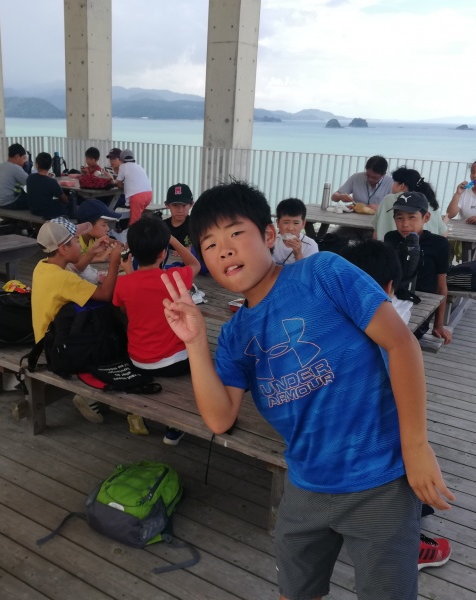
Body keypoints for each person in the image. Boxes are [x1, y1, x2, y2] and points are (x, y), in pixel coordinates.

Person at [160, 181, 454, 600]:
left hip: (380, 481)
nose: (223, 250)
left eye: (235, 233)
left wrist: (416, 446)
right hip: (304, 486)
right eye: (209, 244)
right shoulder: (235, 335)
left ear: (269, 235)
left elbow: (400, 343)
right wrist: (193, 343)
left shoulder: (323, 273)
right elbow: (219, 418)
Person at [339, 239, 453, 571]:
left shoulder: (326, 323)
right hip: (367, 448)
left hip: (324, 437)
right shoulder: (392, 332)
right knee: (404, 452)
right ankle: (408, 546)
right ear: (389, 286)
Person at [113, 218, 201, 445]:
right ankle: (175, 426)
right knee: (204, 352)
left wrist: (129, 273)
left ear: (132, 251)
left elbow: (125, 309)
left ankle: (137, 412)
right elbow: (195, 265)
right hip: (175, 364)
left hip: (138, 361)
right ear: (163, 253)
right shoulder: (174, 277)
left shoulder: (123, 283)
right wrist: (173, 240)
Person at [32, 217, 123, 423]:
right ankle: (90, 394)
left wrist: (91, 252)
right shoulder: (64, 279)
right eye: (75, 241)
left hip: (44, 337)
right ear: (63, 249)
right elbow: (105, 294)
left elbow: (76, 266)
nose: (79, 245)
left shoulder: (43, 266)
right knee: (112, 329)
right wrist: (115, 263)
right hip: (58, 347)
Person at [384, 192, 453, 344]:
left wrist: (439, 325)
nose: (405, 224)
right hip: (393, 299)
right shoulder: (390, 238)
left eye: (412, 217)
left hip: (422, 304)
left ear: (426, 218)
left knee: (401, 337)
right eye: (399, 217)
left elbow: (441, 285)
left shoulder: (439, 244)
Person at [372, 167, 447, 240]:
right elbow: (444, 234)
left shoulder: (389, 199)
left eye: (394, 182)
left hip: (389, 247)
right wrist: (445, 222)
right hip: (427, 247)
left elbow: (376, 232)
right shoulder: (430, 202)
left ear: (402, 186)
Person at [67, 199, 123, 283]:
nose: (108, 228)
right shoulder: (74, 240)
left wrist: (117, 246)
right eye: (104, 225)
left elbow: (116, 243)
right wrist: (99, 258)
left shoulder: (96, 237)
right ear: (88, 226)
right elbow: (73, 264)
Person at [107, 149, 153, 224]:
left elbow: (119, 184)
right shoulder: (139, 167)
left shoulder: (123, 166)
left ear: (121, 160)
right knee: (139, 219)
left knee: (134, 222)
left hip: (137, 197)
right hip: (149, 195)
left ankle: (130, 231)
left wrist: (122, 185)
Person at [25, 152, 74, 219]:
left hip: (33, 209)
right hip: (46, 212)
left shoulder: (30, 178)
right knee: (67, 206)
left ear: (36, 165)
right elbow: (63, 198)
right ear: (51, 165)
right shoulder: (51, 182)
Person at [272, 198, 319, 265]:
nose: (290, 228)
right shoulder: (271, 242)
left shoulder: (310, 245)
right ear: (278, 223)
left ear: (303, 224)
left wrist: (298, 254)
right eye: (286, 222)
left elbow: (307, 270)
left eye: (296, 223)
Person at [0, 143, 30, 210]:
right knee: (36, 200)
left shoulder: (0, 166)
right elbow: (29, 181)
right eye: (23, 158)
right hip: (10, 203)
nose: (24, 161)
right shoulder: (15, 168)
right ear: (17, 157)